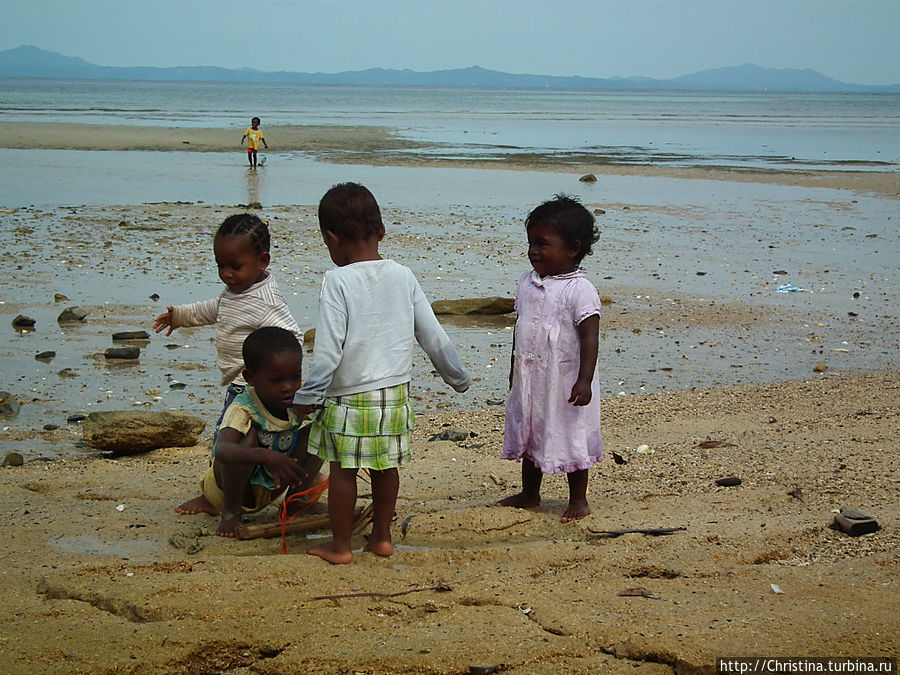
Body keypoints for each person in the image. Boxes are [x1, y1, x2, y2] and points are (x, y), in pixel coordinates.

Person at [294, 182, 471, 564]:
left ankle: (340, 546)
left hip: (347, 396)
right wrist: (457, 378)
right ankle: (382, 537)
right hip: (394, 393)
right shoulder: (403, 275)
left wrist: (307, 396)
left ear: (331, 238)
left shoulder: (336, 281)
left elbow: (327, 351)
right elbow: (433, 336)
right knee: (385, 467)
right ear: (382, 231)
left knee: (344, 472)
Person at [497, 195, 603, 522]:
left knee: (570, 433)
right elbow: (519, 327)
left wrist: (584, 380)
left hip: (566, 381)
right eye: (530, 243)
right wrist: (513, 369)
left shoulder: (580, 290)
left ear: (572, 248)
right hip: (531, 377)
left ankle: (578, 499)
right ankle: (530, 493)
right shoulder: (527, 284)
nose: (533, 251)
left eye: (542, 244)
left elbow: (590, 337)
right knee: (531, 429)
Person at [152, 213, 303, 442]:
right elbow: (215, 309)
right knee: (252, 438)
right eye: (220, 266)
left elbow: (291, 338)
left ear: (262, 261)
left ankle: (227, 472)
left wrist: (279, 377)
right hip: (240, 383)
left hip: (257, 389)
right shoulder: (236, 292)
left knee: (231, 437)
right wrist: (180, 317)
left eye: (235, 266)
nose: (226, 274)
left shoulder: (265, 301)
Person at [174, 327, 324, 536]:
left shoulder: (297, 397)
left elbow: (328, 408)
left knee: (320, 431)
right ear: (250, 378)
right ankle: (229, 512)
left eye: (295, 376)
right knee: (249, 437)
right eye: (277, 380)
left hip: (270, 487)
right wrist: (266, 456)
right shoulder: (244, 408)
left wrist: (313, 407)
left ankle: (295, 503)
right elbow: (223, 451)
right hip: (230, 490)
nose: (288, 387)